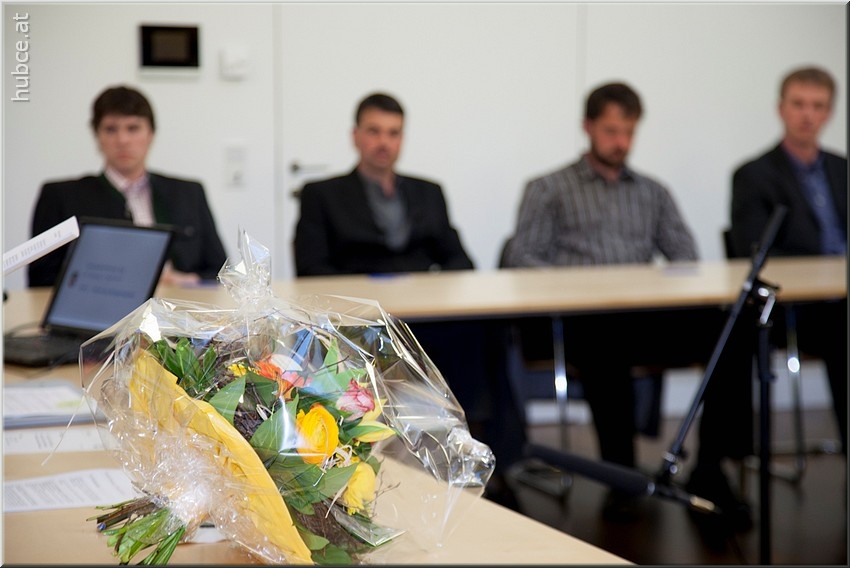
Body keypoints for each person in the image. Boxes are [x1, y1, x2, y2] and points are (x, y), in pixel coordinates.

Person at [504, 82, 755, 530]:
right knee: (604, 341)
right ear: (588, 127)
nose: (620, 142)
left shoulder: (652, 192)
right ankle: (621, 477)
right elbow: (523, 258)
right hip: (581, 320)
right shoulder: (549, 188)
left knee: (733, 328)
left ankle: (710, 468)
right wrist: (579, 286)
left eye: (628, 132)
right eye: (611, 131)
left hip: (644, 315)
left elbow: (685, 257)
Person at [293, 92, 523, 508]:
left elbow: (460, 260)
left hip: (426, 316)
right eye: (374, 131)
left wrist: (427, 287)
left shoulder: (427, 192)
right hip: (363, 320)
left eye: (394, 133)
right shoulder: (323, 194)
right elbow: (310, 268)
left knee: (485, 330)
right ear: (356, 136)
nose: (384, 142)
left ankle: (488, 457)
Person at [730, 66, 847, 455]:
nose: (807, 115)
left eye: (818, 106)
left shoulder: (842, 170)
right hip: (797, 309)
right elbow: (753, 249)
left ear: (829, 112)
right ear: (781, 109)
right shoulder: (754, 175)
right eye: (799, 104)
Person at [28, 85, 227, 288]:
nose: (122, 140)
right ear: (97, 136)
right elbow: (40, 281)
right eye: (111, 129)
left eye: (133, 128)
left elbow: (221, 273)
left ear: (151, 134)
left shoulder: (188, 194)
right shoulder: (61, 197)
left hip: (179, 302)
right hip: (103, 303)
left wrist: (186, 281)